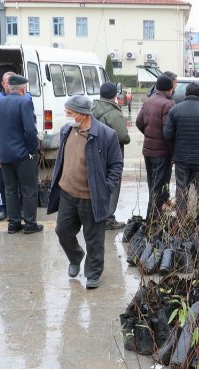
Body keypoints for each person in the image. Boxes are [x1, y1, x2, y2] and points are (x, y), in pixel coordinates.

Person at [47, 96, 124, 289]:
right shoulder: (67, 130)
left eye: (70, 113)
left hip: (91, 197)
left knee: (94, 240)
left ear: (83, 114)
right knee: (62, 231)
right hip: (67, 194)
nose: (67, 116)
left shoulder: (106, 134)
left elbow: (116, 164)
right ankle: (75, 257)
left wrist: (106, 187)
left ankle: (93, 273)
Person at [0, 74, 43, 235]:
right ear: (22, 88)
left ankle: (13, 224)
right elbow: (30, 130)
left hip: (5, 156)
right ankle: (30, 224)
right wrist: (33, 150)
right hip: (23, 155)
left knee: (10, 190)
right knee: (28, 190)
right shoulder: (25, 102)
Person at [163, 82, 199, 220]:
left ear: (186, 94)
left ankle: (181, 219)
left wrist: (177, 147)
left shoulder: (175, 110)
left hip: (182, 158)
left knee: (181, 189)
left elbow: (167, 135)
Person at [91, 82, 131, 230]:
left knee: (97, 183)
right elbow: (124, 137)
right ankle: (108, 218)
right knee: (113, 184)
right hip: (111, 155)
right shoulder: (113, 112)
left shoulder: (91, 108)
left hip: (94, 153)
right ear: (115, 95)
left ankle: (98, 214)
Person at [136, 74, 175, 219]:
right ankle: (152, 220)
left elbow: (139, 122)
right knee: (157, 187)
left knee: (152, 183)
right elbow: (168, 132)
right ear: (169, 89)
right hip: (162, 152)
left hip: (148, 150)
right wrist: (173, 151)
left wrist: (148, 134)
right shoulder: (168, 104)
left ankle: (155, 216)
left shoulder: (148, 101)